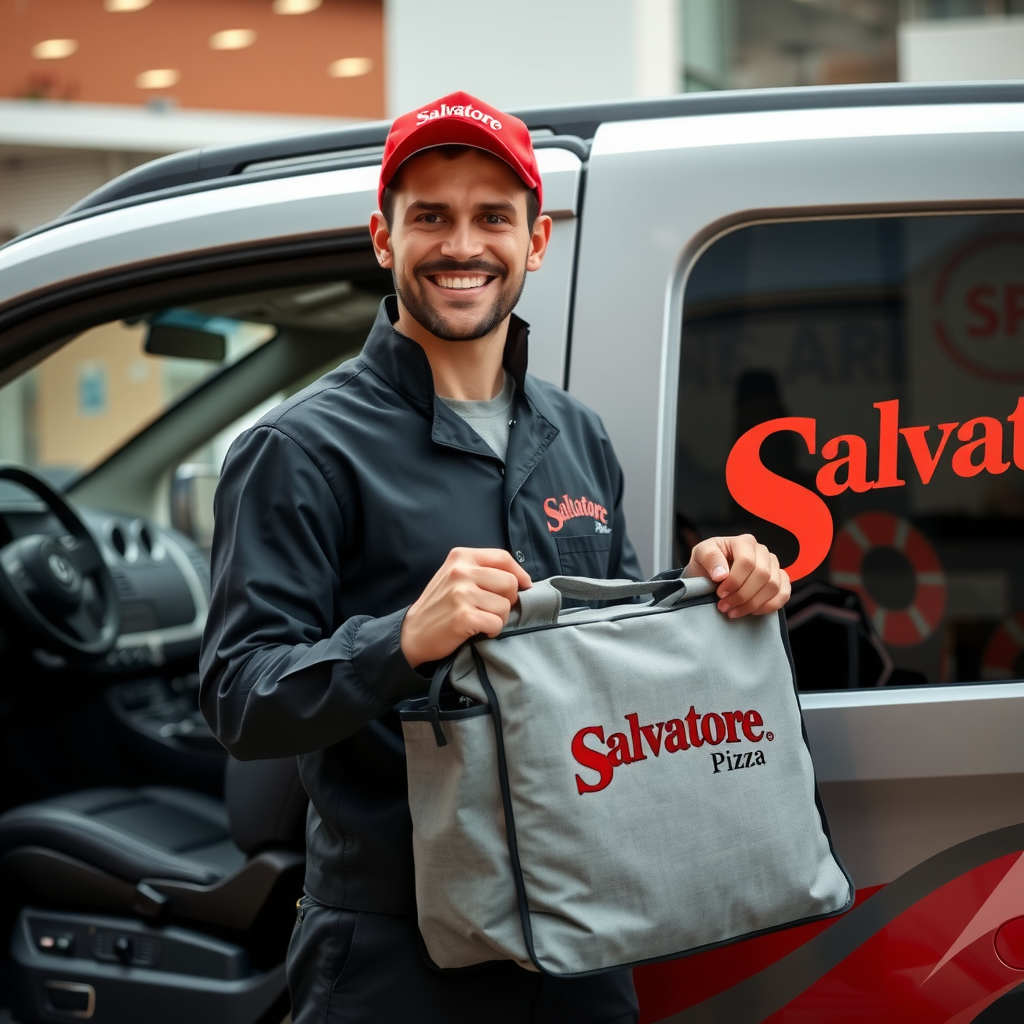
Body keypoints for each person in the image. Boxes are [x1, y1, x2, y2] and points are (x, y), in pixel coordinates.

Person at [199, 91, 791, 1024]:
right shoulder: (300, 449)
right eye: (431, 217)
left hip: (585, 931)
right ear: (384, 239)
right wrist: (402, 638)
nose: (463, 245)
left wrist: (707, 589)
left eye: (492, 218)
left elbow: (612, 662)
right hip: (396, 953)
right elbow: (239, 697)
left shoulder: (577, 433)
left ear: (536, 240)